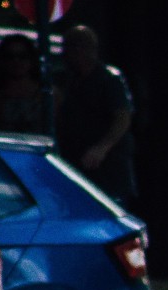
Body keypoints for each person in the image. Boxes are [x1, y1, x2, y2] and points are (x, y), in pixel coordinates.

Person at [55, 25, 137, 206]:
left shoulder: (109, 79)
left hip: (107, 167)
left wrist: (101, 148)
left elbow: (122, 117)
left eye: (70, 47)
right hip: (78, 162)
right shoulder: (69, 81)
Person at [0, 33, 55, 133]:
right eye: (10, 57)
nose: (16, 61)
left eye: (22, 56)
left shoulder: (48, 94)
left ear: (32, 59)